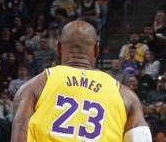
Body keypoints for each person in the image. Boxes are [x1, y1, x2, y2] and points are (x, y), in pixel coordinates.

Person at [11, 20, 151, 142]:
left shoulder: (33, 87)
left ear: (59, 48)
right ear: (96, 49)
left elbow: (20, 131)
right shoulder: (126, 96)